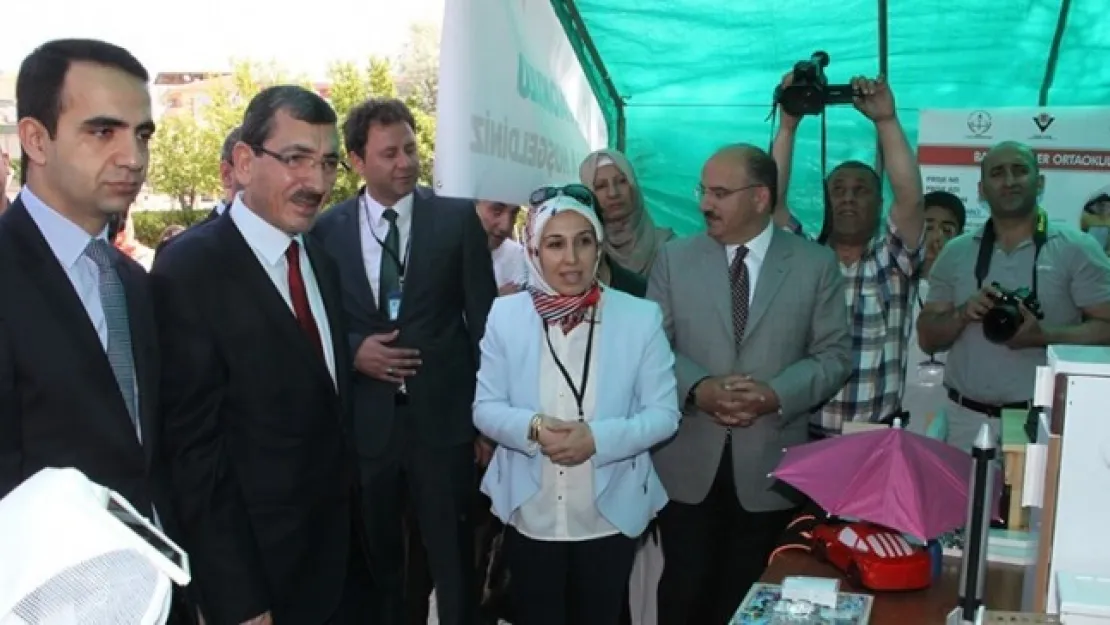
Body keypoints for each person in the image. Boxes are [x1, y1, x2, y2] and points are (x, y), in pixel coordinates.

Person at [151, 85, 368, 625]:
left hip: (340, 571)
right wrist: (239, 600)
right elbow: (193, 455)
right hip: (260, 585)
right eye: (296, 159)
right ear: (244, 163)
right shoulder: (190, 270)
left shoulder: (321, 260)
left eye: (328, 163)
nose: (316, 183)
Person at [0, 38, 190, 622]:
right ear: (36, 140)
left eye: (143, 134)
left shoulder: (133, 282)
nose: (133, 157)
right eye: (103, 131)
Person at [648, 144, 852, 625]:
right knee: (682, 597)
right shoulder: (674, 258)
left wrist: (775, 394)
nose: (705, 204)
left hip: (771, 470)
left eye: (720, 193)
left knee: (750, 602)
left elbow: (834, 355)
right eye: (703, 191)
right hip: (686, 468)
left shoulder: (814, 264)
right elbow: (651, 345)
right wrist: (698, 389)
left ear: (760, 198)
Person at [312, 97, 496, 625]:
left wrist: (485, 423)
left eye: (411, 149)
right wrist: (354, 351)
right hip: (367, 431)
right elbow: (317, 322)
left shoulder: (456, 219)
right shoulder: (326, 230)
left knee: (454, 561)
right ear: (357, 161)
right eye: (389, 153)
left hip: (444, 425)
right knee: (381, 568)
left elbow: (484, 325)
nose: (405, 163)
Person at [474, 186, 679, 624]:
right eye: (555, 244)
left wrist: (596, 439)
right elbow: (485, 408)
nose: (571, 258)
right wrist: (533, 427)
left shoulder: (639, 317)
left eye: (583, 241)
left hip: (609, 510)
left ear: (598, 247)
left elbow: (664, 415)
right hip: (530, 508)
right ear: (533, 250)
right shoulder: (505, 315)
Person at [917, 141, 1110, 451]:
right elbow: (927, 339)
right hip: (964, 420)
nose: (1009, 181)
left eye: (1019, 170)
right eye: (997, 173)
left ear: (1040, 182)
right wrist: (963, 314)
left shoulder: (1077, 249)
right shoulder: (956, 252)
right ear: (981, 190)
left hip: (1041, 423)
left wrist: (1044, 335)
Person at [771, 74, 925, 437]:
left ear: (880, 203)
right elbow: (770, 204)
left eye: (861, 190)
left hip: (871, 436)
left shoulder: (893, 262)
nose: (848, 198)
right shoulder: (805, 258)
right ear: (825, 200)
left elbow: (911, 199)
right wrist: (788, 126)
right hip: (803, 433)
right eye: (838, 190)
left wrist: (886, 120)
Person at [903, 191, 966, 435]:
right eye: (928, 227)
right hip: (904, 398)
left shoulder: (965, 290)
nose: (936, 237)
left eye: (947, 230)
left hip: (949, 399)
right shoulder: (897, 283)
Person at [580, 149, 674, 289]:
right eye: (601, 186)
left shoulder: (667, 248)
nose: (613, 193)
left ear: (633, 187)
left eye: (622, 181)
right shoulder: (583, 253)